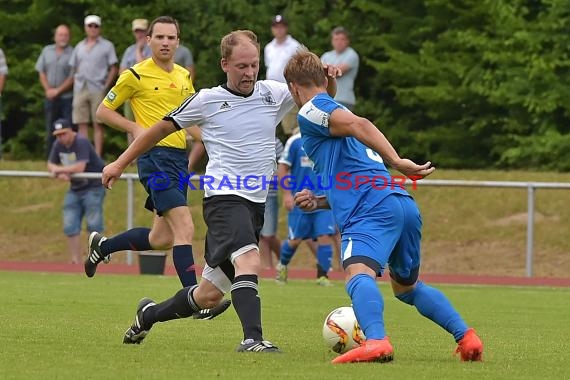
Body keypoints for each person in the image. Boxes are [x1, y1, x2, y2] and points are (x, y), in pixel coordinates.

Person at [101, 30, 340, 352]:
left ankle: (148, 314)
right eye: (242, 66)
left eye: (254, 65)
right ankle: (252, 339)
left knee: (207, 295)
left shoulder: (273, 93)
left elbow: (320, 102)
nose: (249, 72)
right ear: (224, 64)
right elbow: (157, 130)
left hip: (254, 204)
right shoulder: (207, 100)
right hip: (224, 198)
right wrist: (118, 163)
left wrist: (329, 79)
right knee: (250, 260)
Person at [284, 49, 483, 364]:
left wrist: (396, 160)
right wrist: (321, 201)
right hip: (399, 203)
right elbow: (350, 159)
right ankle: (467, 337)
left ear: (294, 88)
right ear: (323, 79)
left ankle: (376, 341)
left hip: (371, 208)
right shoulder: (330, 111)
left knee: (357, 273)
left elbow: (359, 122)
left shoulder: (310, 111)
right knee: (407, 288)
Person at [88, 16, 230, 320]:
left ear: (178, 42)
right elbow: (102, 111)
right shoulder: (134, 75)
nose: (165, 42)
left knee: (161, 239)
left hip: (178, 159)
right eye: (160, 37)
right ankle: (198, 301)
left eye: (171, 38)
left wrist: (215, 141)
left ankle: (103, 246)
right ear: (148, 40)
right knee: (186, 227)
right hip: (154, 157)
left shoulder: (183, 76)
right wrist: (135, 128)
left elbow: (188, 121)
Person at [276, 130, 335, 285]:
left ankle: (322, 276)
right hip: (300, 199)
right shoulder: (295, 141)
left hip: (323, 199)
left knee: (324, 236)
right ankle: (282, 265)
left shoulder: (328, 139)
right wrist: (287, 194)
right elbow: (282, 167)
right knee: (295, 240)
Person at [47, 118, 105, 264]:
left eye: (63, 134)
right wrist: (58, 171)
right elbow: (50, 164)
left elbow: (79, 167)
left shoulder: (81, 141)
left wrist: (59, 171)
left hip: (94, 186)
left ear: (71, 131)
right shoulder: (58, 144)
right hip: (75, 188)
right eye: (57, 135)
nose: (61, 138)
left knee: (94, 224)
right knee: (69, 223)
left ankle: (94, 259)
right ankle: (75, 260)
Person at [69, 15, 118, 156]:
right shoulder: (79, 46)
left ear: (100, 28)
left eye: (95, 26)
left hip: (97, 88)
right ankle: (84, 155)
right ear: (85, 28)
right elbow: (74, 66)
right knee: (81, 123)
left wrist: (106, 85)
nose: (92, 29)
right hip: (80, 88)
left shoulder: (107, 46)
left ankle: (97, 155)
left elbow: (113, 67)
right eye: (90, 26)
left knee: (98, 123)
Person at [35, 24, 75, 158]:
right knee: (50, 128)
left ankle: (69, 156)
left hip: (67, 97)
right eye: (60, 34)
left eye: (65, 35)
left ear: (69, 37)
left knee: (67, 128)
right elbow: (41, 72)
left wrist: (58, 90)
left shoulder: (73, 52)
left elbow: (73, 76)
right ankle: (51, 158)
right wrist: (48, 90)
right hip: (50, 97)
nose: (63, 37)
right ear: (55, 36)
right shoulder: (46, 51)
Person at [264, 15, 301, 138]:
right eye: (276, 27)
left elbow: (300, 68)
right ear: (272, 29)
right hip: (270, 92)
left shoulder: (294, 46)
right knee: (268, 126)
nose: (279, 30)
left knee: (291, 126)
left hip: (288, 90)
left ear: (286, 28)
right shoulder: (269, 47)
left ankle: (296, 154)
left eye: (281, 27)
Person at [119, 19, 152, 145]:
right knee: (130, 124)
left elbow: (143, 67)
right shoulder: (129, 50)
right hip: (130, 93)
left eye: (142, 31)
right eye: (137, 31)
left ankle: (144, 150)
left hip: (146, 93)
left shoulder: (151, 49)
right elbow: (121, 72)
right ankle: (132, 157)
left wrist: (139, 50)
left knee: (145, 123)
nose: (140, 34)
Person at [259, 137, 284, 269]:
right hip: (250, 192)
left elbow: (283, 165)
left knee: (268, 235)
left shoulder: (275, 141)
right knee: (260, 235)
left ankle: (284, 261)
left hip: (270, 193)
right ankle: (267, 269)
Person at [320, 27, 359, 111]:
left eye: (342, 39)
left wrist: (324, 71)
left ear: (347, 41)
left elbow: (337, 72)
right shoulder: (326, 55)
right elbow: (318, 73)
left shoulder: (351, 55)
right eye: (336, 39)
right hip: (326, 99)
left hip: (344, 99)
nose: (339, 42)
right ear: (332, 41)